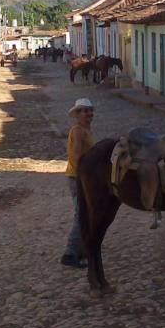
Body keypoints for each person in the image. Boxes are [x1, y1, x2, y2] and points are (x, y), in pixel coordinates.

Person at [62, 98, 95, 268]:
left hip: (81, 177)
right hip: (77, 177)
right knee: (81, 214)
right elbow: (76, 156)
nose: (89, 113)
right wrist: (84, 176)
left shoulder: (85, 130)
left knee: (86, 213)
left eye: (90, 110)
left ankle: (81, 250)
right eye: (84, 111)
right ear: (77, 114)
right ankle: (70, 253)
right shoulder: (78, 132)